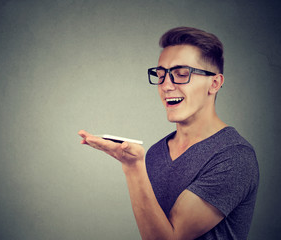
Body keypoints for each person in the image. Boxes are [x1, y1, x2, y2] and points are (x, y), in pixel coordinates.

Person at [78, 27, 259, 240]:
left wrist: (132, 166)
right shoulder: (155, 154)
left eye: (181, 75)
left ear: (215, 83)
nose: (166, 86)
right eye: (161, 75)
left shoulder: (234, 157)